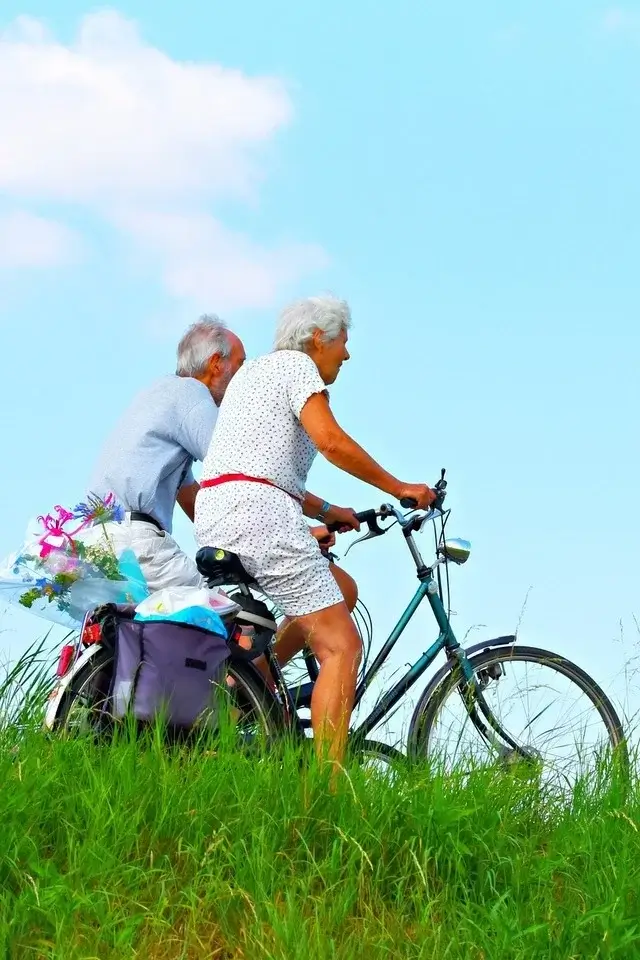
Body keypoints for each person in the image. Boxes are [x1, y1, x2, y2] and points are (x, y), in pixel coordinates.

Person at [194, 295, 436, 770]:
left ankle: (255, 681)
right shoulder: (297, 367)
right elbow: (330, 440)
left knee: (341, 589)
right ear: (318, 338)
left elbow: (260, 466)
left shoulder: (255, 375)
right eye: (343, 342)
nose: (346, 355)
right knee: (341, 645)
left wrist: (329, 510)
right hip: (259, 513)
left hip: (224, 510)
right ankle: (326, 791)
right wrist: (400, 486)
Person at [79, 315, 246, 591]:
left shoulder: (159, 393)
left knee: (138, 630)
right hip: (136, 542)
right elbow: (236, 465)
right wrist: (295, 530)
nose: (244, 377)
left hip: (97, 542)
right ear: (217, 363)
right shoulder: (191, 394)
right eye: (241, 365)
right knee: (225, 616)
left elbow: (193, 498)